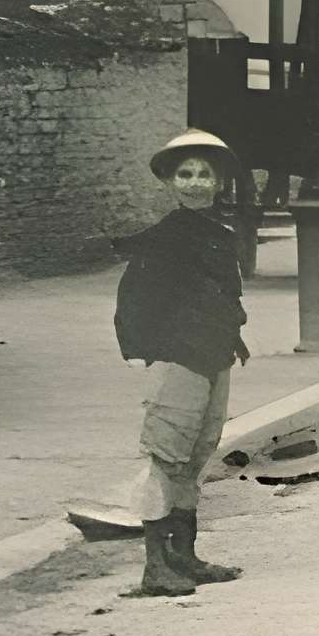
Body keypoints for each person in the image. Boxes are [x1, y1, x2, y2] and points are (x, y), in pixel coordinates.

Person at [113, 130, 252, 598]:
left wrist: (232, 336)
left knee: (196, 457)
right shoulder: (162, 239)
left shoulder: (221, 235)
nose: (195, 183)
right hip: (178, 360)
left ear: (219, 181)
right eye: (185, 174)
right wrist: (146, 355)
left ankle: (184, 556)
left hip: (215, 357)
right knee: (165, 459)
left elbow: (225, 296)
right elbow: (133, 302)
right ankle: (155, 566)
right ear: (170, 182)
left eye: (204, 174)